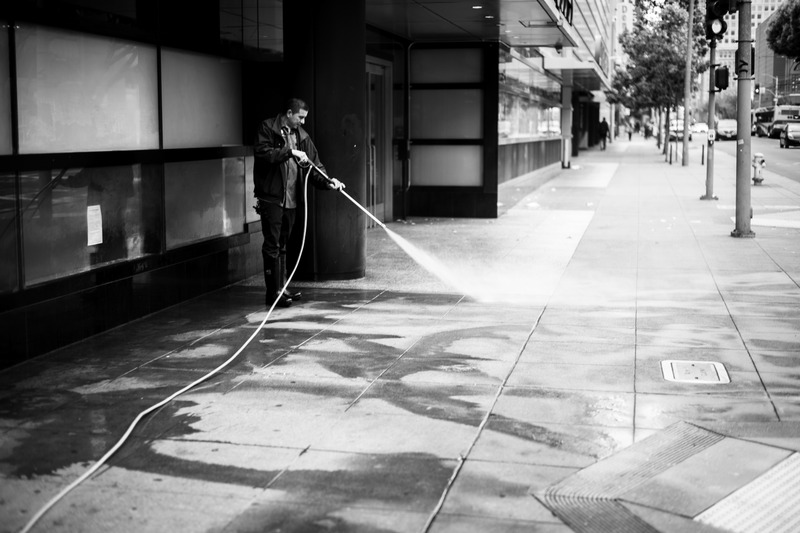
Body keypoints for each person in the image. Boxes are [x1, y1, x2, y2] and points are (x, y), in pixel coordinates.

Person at [253, 98, 344, 308]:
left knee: (282, 246)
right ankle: (273, 293)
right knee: (272, 245)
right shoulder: (267, 128)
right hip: (272, 198)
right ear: (289, 113)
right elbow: (264, 154)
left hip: (291, 200)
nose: (302, 122)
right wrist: (290, 152)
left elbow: (315, 165)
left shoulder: (301, 136)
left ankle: (281, 289)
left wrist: (329, 182)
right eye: (300, 117)